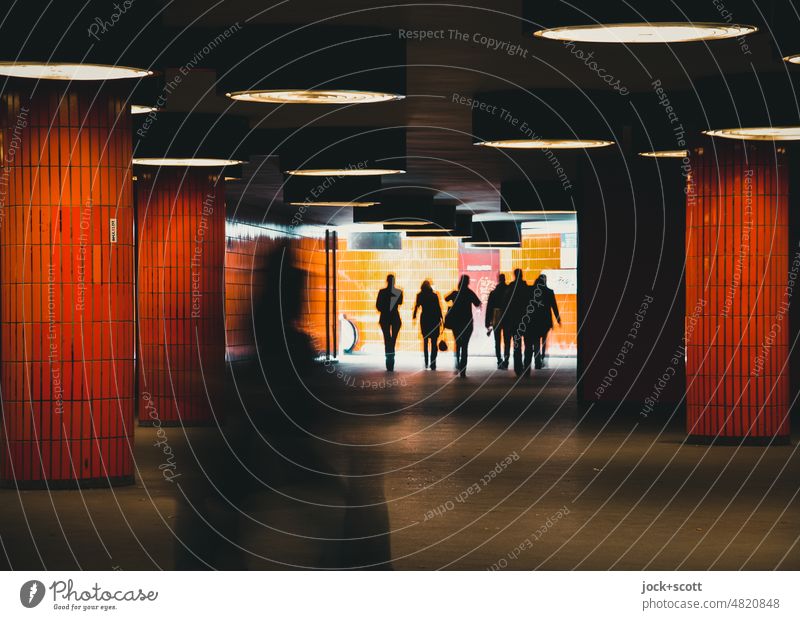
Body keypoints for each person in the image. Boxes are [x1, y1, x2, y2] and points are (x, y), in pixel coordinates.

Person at [444, 275, 481, 378]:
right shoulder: (469, 293)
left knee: (458, 343)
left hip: (456, 323)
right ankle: (463, 369)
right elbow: (478, 303)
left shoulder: (456, 293)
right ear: (468, 282)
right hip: (467, 323)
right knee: (465, 346)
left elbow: (446, 298)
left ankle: (457, 363)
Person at [504, 268, 534, 378]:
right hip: (527, 321)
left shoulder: (510, 290)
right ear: (522, 275)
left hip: (514, 322)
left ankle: (518, 368)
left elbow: (505, 307)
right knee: (528, 345)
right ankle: (527, 367)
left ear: (514, 275)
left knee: (517, 345)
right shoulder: (528, 289)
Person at [531, 274, 561, 369]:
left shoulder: (534, 292)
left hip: (535, 320)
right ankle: (542, 358)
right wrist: (558, 319)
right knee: (544, 340)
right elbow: (554, 307)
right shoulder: (549, 292)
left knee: (536, 341)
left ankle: (537, 361)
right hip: (545, 321)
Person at [412, 280, 443, 370]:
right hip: (434, 319)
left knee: (425, 342)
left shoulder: (420, 295)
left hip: (425, 319)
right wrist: (441, 319)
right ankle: (433, 363)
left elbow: (416, 307)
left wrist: (414, 316)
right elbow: (438, 308)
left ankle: (426, 362)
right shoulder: (434, 295)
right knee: (434, 342)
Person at [376, 274, 403, 371]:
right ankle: (391, 359)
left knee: (387, 339)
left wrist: (385, 309)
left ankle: (389, 360)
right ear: (394, 281)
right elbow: (400, 302)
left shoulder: (382, 292)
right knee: (393, 340)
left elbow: (378, 306)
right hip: (395, 318)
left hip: (385, 317)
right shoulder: (399, 292)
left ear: (387, 281)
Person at [486, 273, 510, 369]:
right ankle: (506, 360)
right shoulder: (509, 291)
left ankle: (499, 360)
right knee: (507, 340)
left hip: (496, 317)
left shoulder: (494, 292)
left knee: (497, 340)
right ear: (504, 279)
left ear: (498, 280)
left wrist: (488, 322)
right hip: (508, 317)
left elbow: (489, 308)